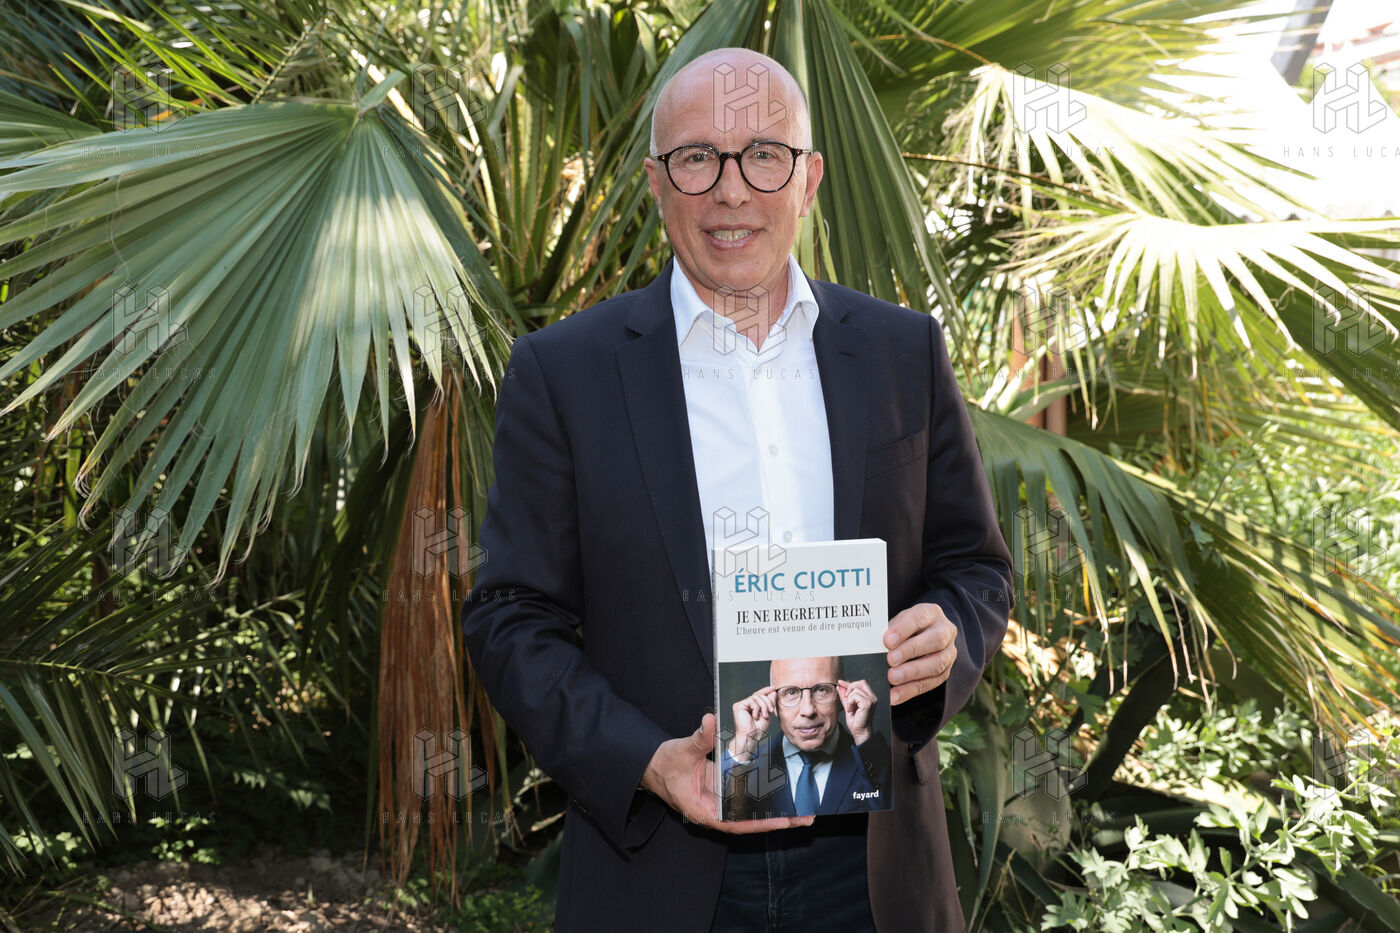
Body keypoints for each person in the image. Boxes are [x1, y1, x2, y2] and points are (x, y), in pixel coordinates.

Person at [461, 45, 1013, 932]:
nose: (730, 190)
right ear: (657, 183)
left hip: (874, 870)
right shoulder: (564, 373)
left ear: (809, 178)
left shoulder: (901, 352)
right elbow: (510, 618)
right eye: (697, 158)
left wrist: (947, 632)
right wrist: (648, 760)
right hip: (662, 871)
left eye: (764, 155)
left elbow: (976, 569)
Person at [720, 657, 890, 820]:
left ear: (842, 696)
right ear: (773, 703)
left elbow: (892, 824)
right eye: (791, 692)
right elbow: (721, 823)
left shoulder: (873, 759)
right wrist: (743, 748)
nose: (808, 710)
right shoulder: (747, 765)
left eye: (821, 690)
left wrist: (863, 734)